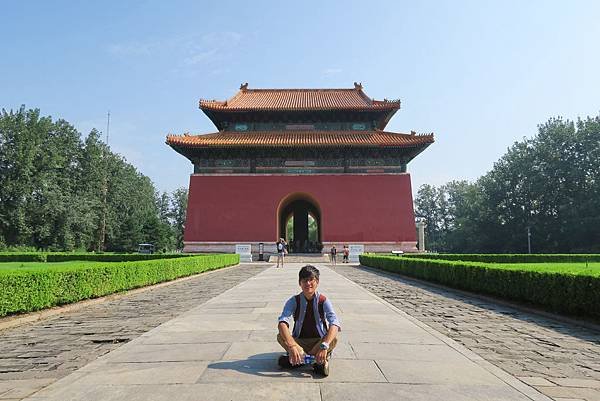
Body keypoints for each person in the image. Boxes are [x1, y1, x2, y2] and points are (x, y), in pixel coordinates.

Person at [277, 265, 341, 376]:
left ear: (317, 282)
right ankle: (317, 361)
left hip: (319, 342)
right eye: (304, 280)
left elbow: (334, 323)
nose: (308, 284)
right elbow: (282, 323)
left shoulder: (323, 300)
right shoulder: (294, 301)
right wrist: (293, 345)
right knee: (280, 336)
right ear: (299, 283)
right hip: (300, 343)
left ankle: (298, 360)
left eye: (311, 280)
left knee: (333, 338)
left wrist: (324, 345)